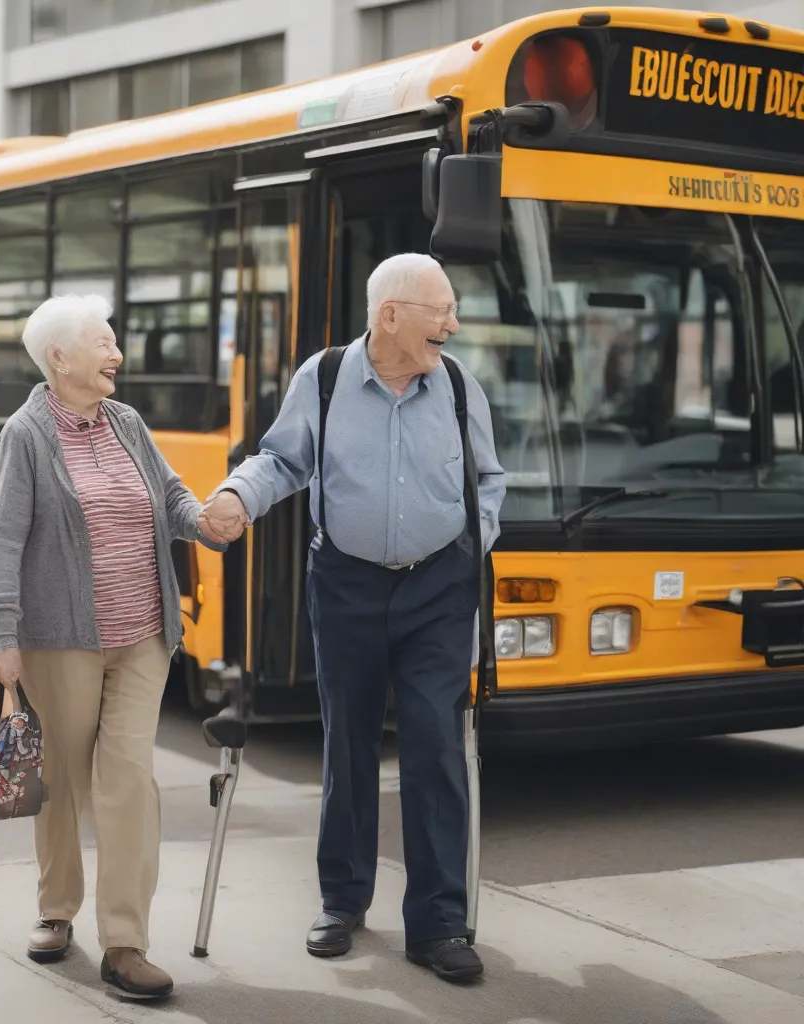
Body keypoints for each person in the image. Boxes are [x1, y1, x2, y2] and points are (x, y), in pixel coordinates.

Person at [202, 253, 506, 982]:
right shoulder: (327, 377)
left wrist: (474, 537)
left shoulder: (460, 385)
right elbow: (278, 459)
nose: (453, 326)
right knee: (348, 742)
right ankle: (342, 900)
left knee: (435, 743)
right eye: (442, 312)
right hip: (345, 585)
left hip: (439, 588)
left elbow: (489, 479)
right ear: (391, 314)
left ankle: (436, 923)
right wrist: (239, 498)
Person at [0, 294, 228, 1000]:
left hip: (144, 634)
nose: (117, 356)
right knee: (59, 778)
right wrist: (2, 633)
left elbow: (171, 497)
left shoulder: (126, 423)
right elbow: (2, 540)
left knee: (127, 780)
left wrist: (206, 522)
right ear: (59, 358)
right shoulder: (25, 436)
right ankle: (57, 912)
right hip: (62, 640)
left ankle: (126, 942)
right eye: (104, 344)